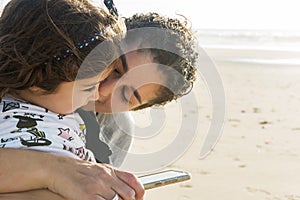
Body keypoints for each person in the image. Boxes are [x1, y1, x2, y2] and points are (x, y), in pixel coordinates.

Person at [0, 1, 198, 200]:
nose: (102, 89)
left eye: (125, 95)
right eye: (115, 68)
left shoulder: (115, 129)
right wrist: (55, 171)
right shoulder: (21, 78)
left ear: (137, 108)